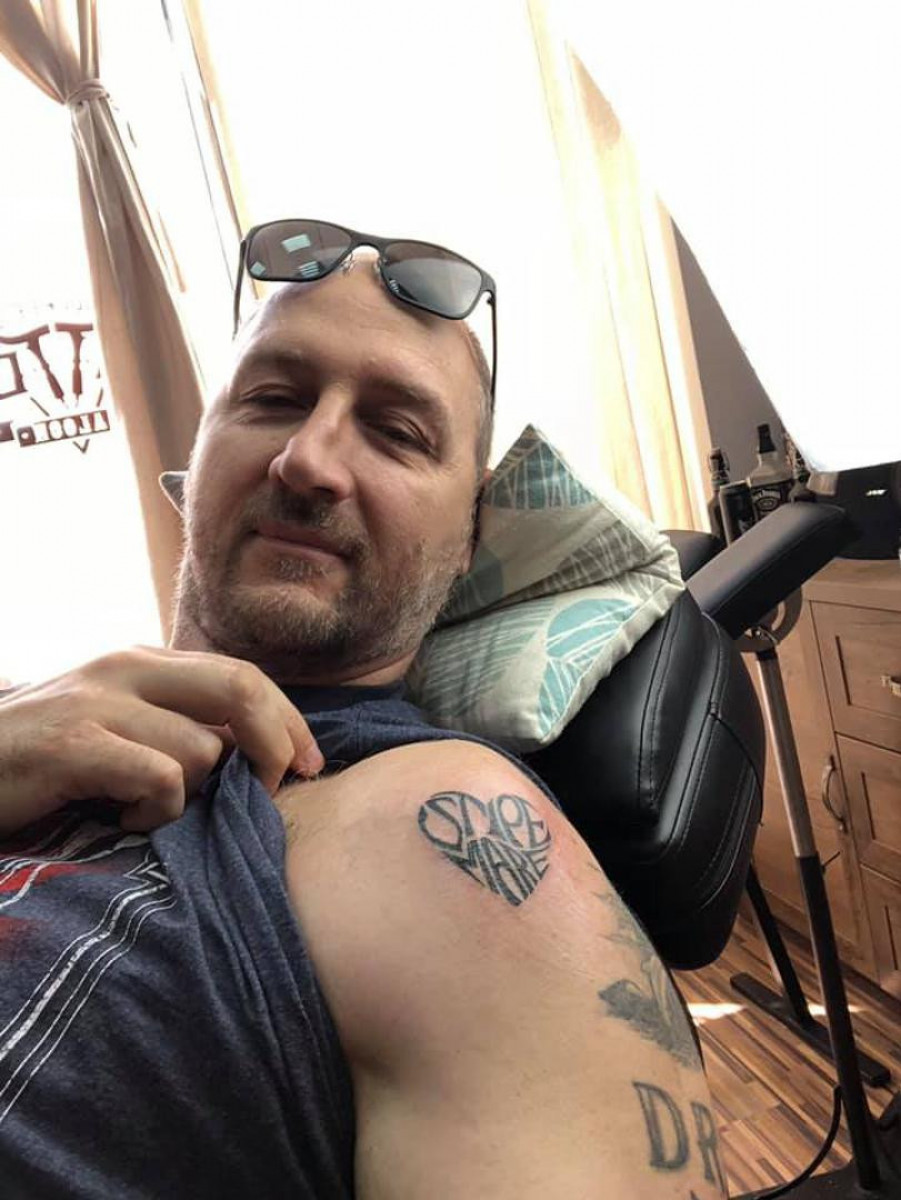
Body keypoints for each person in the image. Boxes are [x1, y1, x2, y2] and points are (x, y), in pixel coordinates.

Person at [0, 241, 726, 1199]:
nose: (307, 460)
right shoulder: (41, 726)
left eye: (395, 432)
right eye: (273, 400)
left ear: (469, 537)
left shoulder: (429, 819)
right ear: (195, 457)